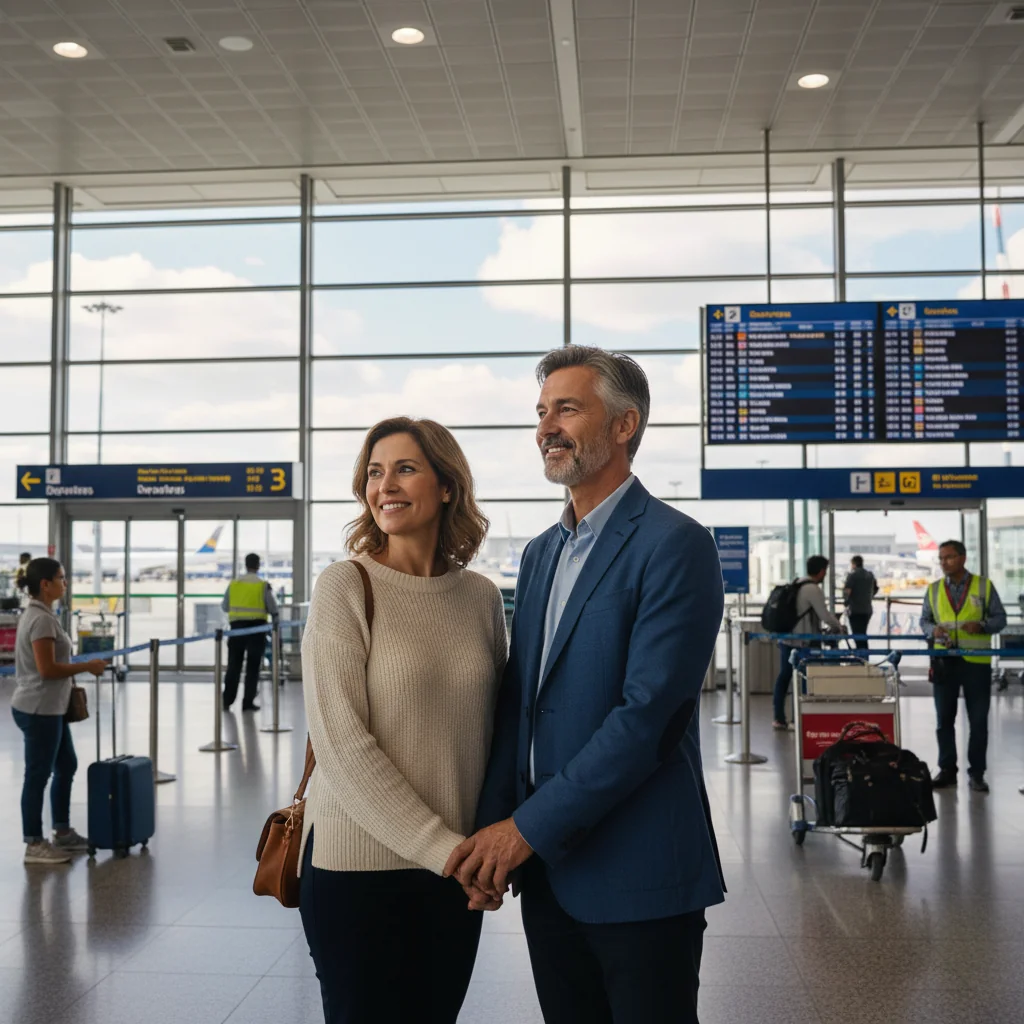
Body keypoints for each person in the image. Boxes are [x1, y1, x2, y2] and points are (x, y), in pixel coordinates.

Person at [448, 346, 725, 1024]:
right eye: (541, 412)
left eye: (567, 409)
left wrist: (525, 830)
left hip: (639, 874)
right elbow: (522, 704)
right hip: (548, 875)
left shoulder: (675, 543)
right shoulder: (542, 552)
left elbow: (648, 719)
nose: (547, 427)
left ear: (624, 425)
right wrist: (494, 835)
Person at [298, 417, 507, 1024]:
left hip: (456, 872)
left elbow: (493, 736)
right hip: (359, 870)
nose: (384, 484)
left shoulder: (481, 598)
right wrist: (449, 852)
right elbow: (340, 744)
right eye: (373, 472)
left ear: (447, 486)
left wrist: (486, 852)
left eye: (405, 468)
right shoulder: (345, 586)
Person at [11, 558, 106, 865]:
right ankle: (34, 843)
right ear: (45, 584)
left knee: (66, 764)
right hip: (39, 709)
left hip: (52, 707)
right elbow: (47, 669)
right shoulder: (40, 620)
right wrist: (86, 667)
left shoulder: (43, 615)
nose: (65, 583)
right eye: (62, 578)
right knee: (37, 775)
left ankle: (62, 833)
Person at [921, 540, 1006, 793]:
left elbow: (1000, 618)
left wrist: (982, 626)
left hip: (975, 662)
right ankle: (947, 770)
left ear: (963, 558)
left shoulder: (983, 586)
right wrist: (932, 630)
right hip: (944, 660)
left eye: (948, 557)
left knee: (978, 720)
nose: (944, 562)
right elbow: (924, 620)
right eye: (941, 558)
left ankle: (977, 773)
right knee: (944, 719)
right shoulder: (934, 589)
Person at [772, 555, 845, 730]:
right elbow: (825, 615)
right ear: (821, 571)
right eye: (825, 571)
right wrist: (839, 627)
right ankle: (800, 719)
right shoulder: (812, 589)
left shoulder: (797, 583)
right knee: (803, 679)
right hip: (802, 642)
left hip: (786, 639)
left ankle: (779, 718)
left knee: (784, 677)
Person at [221, 553, 278, 712]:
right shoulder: (262, 585)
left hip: (236, 629)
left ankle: (227, 700)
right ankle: (247, 702)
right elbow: (273, 607)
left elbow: (225, 606)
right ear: (258, 565)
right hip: (257, 630)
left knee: (234, 665)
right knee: (253, 667)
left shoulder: (234, 584)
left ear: (245, 565)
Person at [843, 555, 878, 650]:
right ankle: (864, 656)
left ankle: (861, 657)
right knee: (863, 634)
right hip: (867, 609)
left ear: (853, 564)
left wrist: (846, 602)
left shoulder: (852, 575)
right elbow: (875, 589)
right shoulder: (870, 575)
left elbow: (847, 592)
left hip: (855, 610)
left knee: (857, 635)